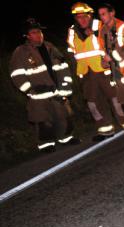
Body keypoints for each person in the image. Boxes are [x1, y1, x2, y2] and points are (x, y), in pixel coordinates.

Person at [10, 19, 78, 152]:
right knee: (43, 121)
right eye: (34, 32)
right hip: (38, 96)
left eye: (39, 32)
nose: (38, 35)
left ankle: (66, 138)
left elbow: (63, 66)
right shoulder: (21, 52)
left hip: (57, 92)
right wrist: (30, 90)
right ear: (27, 36)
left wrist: (66, 86)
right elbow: (16, 74)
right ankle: (46, 145)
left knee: (63, 116)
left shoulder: (50, 47)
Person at [67, 2, 124, 140]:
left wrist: (112, 63)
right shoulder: (72, 32)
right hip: (86, 73)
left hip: (104, 70)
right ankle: (105, 130)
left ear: (90, 16)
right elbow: (72, 52)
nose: (82, 20)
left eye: (85, 16)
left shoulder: (100, 26)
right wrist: (76, 71)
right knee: (93, 102)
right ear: (75, 19)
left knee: (116, 99)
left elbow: (112, 44)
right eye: (78, 17)